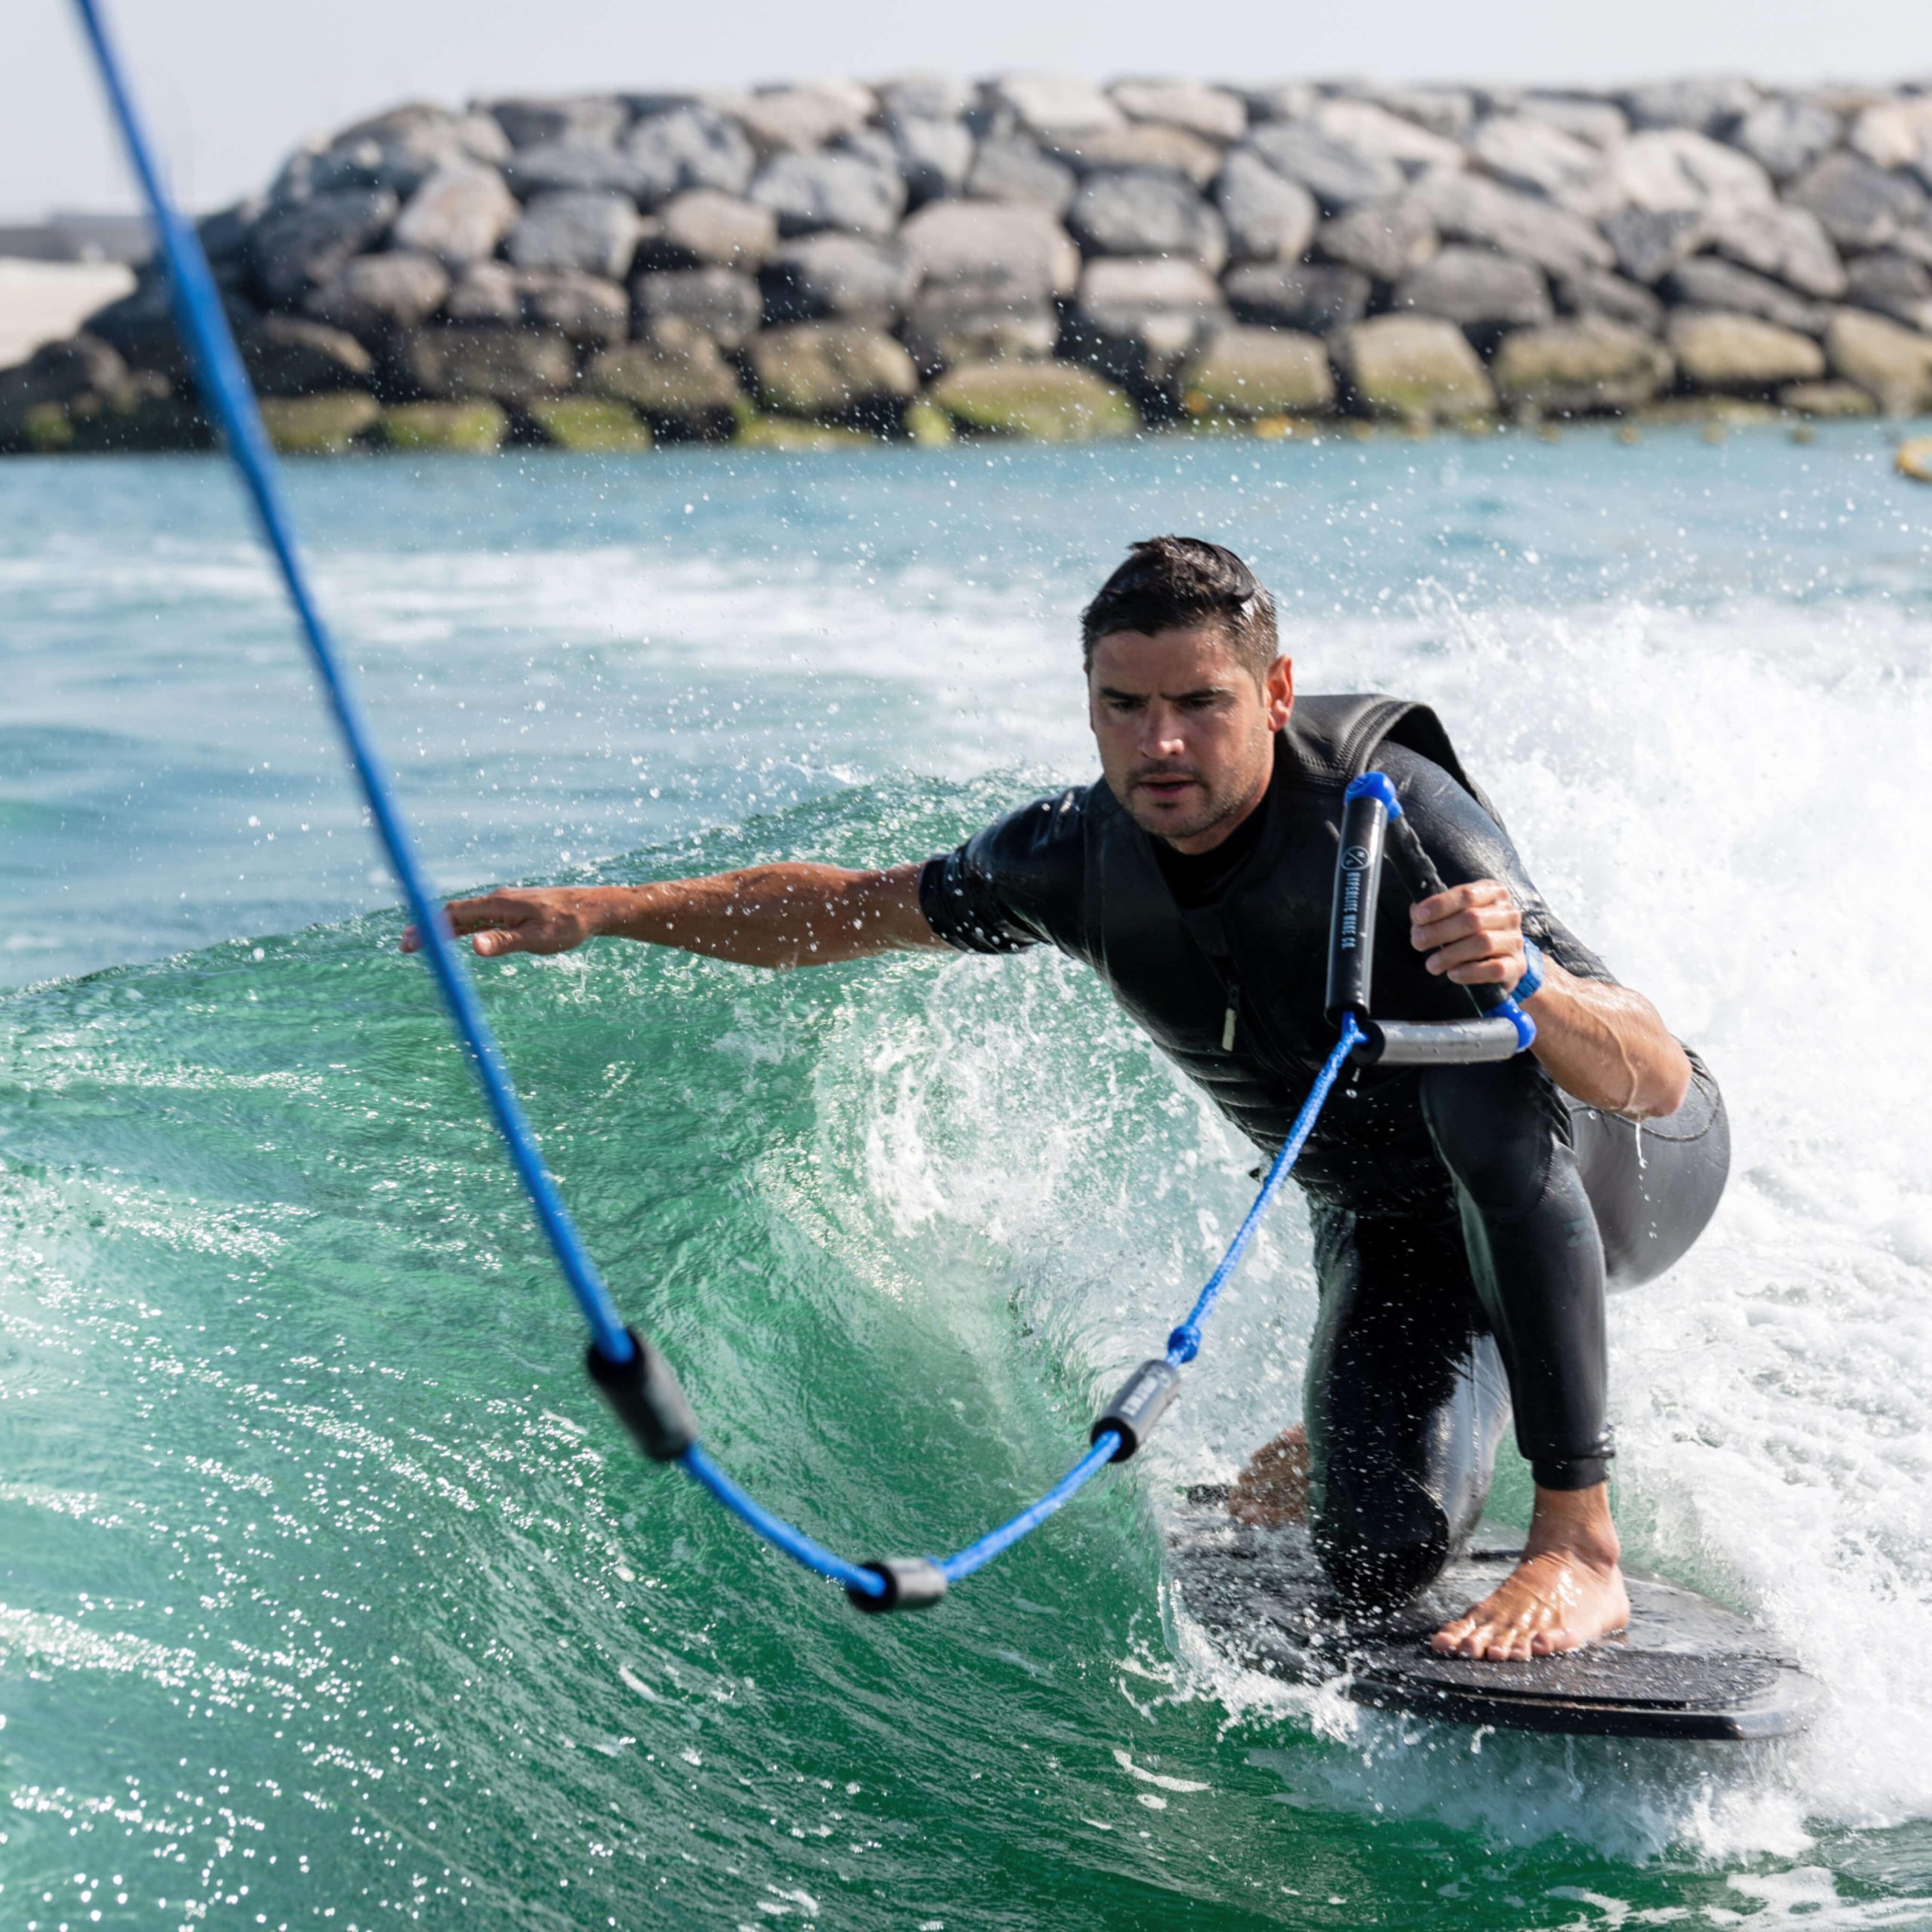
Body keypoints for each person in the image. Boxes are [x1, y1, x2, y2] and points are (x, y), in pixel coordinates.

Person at [402, 537, 1728, 1663]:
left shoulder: (1401, 828)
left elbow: (1655, 1074)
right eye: (1123, 705)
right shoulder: (1073, 855)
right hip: (1399, 1229)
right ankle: (1359, 1425)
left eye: (1200, 704)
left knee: (1476, 1080)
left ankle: (1578, 1537)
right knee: (1377, 1560)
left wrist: (1533, 988)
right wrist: (604, 911)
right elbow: (853, 910)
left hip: (1617, 1173)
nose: (1159, 743)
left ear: (1273, 693)